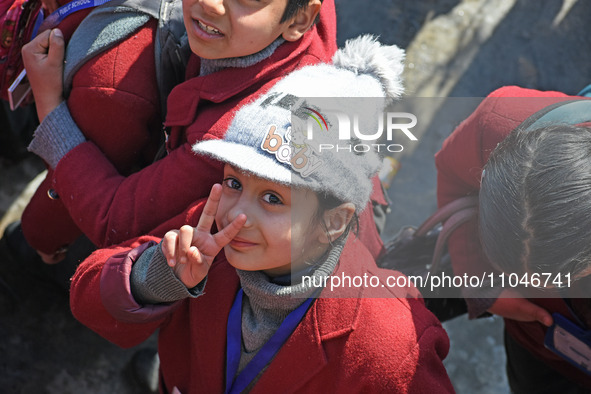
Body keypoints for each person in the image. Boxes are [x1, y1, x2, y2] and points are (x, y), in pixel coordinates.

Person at [70, 36, 454, 393]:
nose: (238, 214)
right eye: (234, 182)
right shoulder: (209, 232)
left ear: (334, 221)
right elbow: (86, 298)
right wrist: (156, 277)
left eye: (272, 197)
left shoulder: (391, 343)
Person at [12, 0, 359, 271]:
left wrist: (49, 106)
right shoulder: (284, 29)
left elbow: (115, 221)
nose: (210, 6)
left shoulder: (235, 138)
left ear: (299, 20)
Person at [435, 85, 591, 392]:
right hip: (535, 342)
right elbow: (452, 173)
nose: (537, 287)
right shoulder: (498, 124)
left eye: (559, 278)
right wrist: (483, 285)